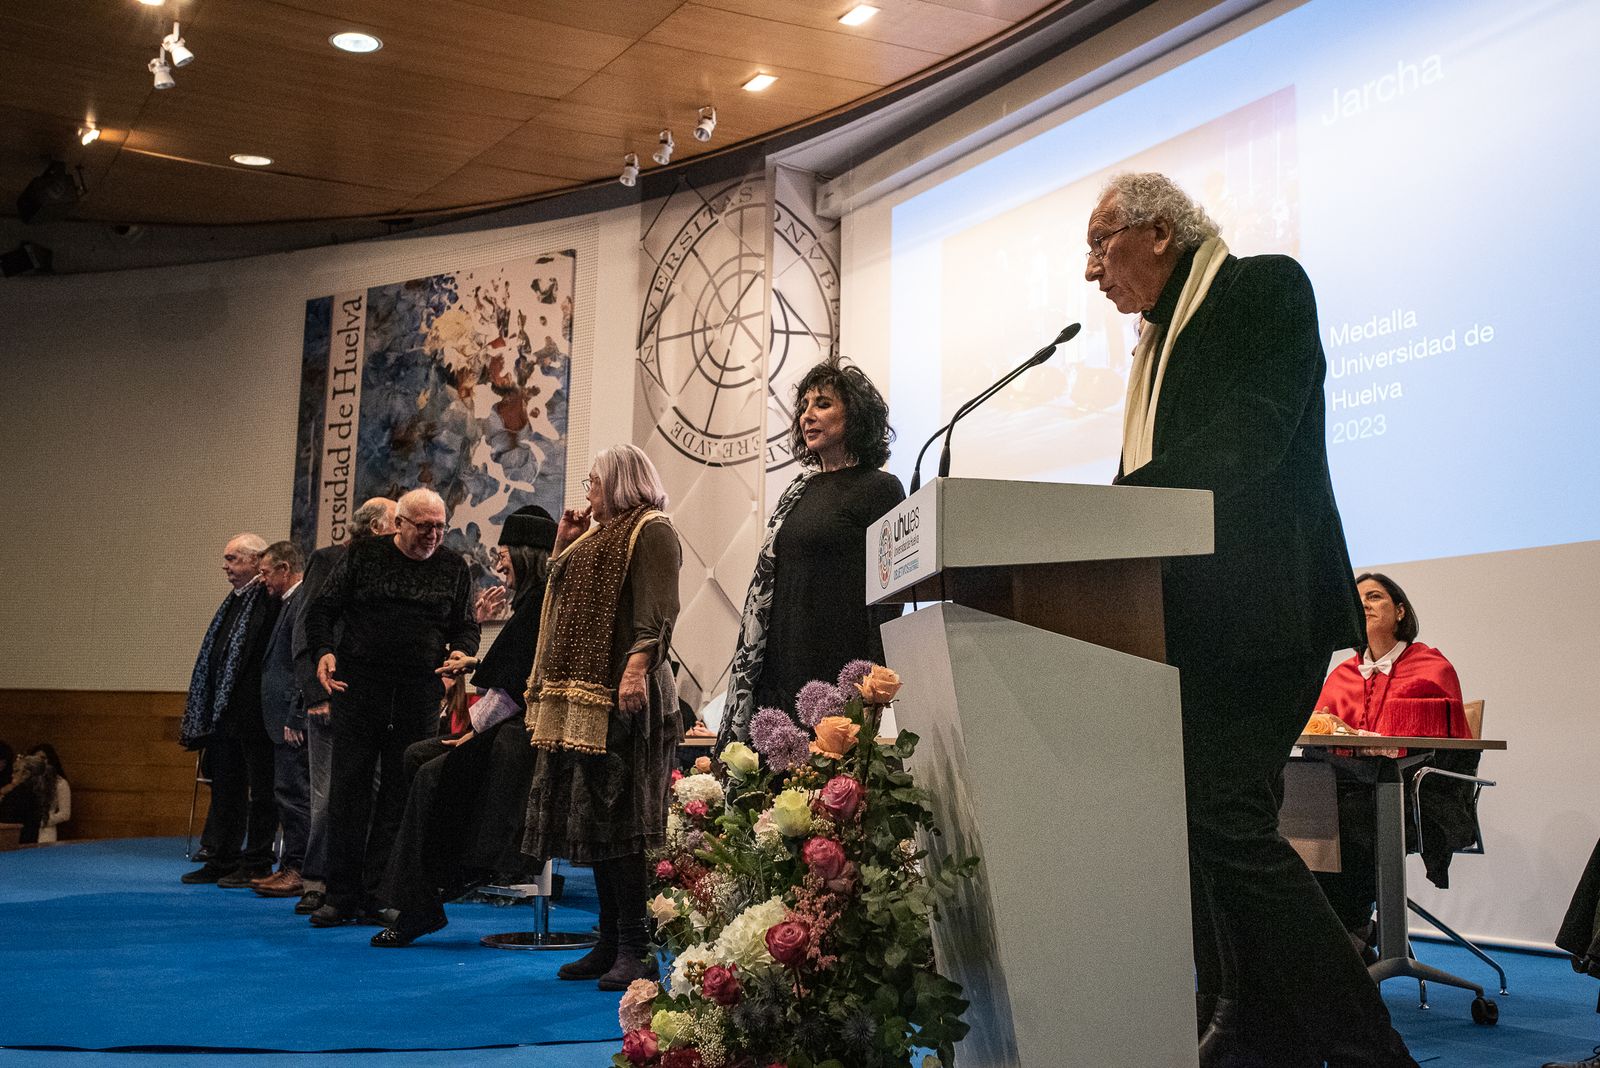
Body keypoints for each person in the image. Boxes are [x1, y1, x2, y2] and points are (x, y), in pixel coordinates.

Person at [1084, 172, 1415, 1066]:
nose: (1091, 272)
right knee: (1210, 827)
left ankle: (1365, 1047)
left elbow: (1250, 442)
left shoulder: (1263, 286)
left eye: (1100, 243)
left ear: (1157, 232)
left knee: (1222, 819)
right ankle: (1259, 1029)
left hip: (1265, 614)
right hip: (1187, 619)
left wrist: (1109, 507)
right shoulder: (1153, 347)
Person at [522, 444, 681, 991]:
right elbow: (558, 599)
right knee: (598, 826)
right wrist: (563, 545)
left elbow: (659, 612)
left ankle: (637, 949)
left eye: (595, 479)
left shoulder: (651, 529)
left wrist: (636, 668)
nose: (587, 488)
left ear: (621, 480)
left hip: (628, 696)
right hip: (591, 699)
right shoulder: (597, 535)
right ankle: (609, 939)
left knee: (625, 825)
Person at [372, 505, 558, 947]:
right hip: (510, 727)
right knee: (417, 756)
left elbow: (512, 686)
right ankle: (426, 887)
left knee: (432, 772)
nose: (499, 563)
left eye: (505, 552)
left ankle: (433, 891)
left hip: (522, 737)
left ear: (526, 553)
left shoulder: (541, 606)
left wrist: (470, 731)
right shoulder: (530, 604)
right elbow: (507, 673)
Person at [302, 488, 479, 926]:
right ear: (400, 523)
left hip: (419, 691)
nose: (433, 535)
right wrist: (323, 650)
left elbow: (466, 627)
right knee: (349, 790)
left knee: (401, 795)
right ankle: (339, 894)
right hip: (360, 687)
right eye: (424, 526)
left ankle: (382, 892)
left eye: (440, 527)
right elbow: (321, 609)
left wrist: (460, 653)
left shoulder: (454, 568)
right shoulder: (363, 556)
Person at [719, 361, 904, 746]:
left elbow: (889, 595)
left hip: (839, 664)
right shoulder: (798, 491)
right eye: (804, 407)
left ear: (854, 414)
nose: (807, 416)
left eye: (822, 404)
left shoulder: (879, 488)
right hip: (782, 663)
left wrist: (869, 682)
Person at [1308, 572, 1474, 957]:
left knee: (1350, 817)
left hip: (1417, 795)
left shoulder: (1433, 668)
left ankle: (1348, 934)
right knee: (1305, 807)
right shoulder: (1341, 674)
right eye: (1358, 598)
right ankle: (1346, 930)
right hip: (1349, 789)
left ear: (1400, 611)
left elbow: (1452, 753)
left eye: (1375, 597)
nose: (1364, 604)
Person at [291, 496, 396, 915]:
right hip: (330, 693)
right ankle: (316, 880)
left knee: (368, 795)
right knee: (327, 794)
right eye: (396, 521)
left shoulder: (394, 568)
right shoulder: (329, 559)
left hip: (373, 701)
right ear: (374, 527)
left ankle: (361, 885)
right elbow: (306, 629)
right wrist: (314, 694)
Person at [178, 533, 282, 886]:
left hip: (255, 714)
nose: (225, 566)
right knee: (225, 787)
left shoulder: (269, 600)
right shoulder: (234, 601)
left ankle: (256, 861)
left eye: (233, 559)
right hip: (225, 714)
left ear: (256, 562)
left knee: (262, 791)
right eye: (226, 559)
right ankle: (220, 857)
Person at [251, 541, 310, 899]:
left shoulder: (300, 602)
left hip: (291, 721)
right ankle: (289, 865)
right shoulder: (288, 604)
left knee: (294, 795)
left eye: (266, 572)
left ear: (285, 569)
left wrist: (295, 714)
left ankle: (298, 868)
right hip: (282, 720)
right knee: (286, 794)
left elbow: (302, 664)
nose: (263, 580)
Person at [0, 753, 57, 845]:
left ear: (26, 774)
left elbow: (5, 822)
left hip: (12, 843)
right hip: (29, 843)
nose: (12, 775)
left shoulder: (17, 795)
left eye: (16, 771)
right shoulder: (37, 793)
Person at [27, 743, 70, 843]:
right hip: (26, 830)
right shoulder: (26, 780)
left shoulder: (60, 783)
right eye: (35, 758)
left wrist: (42, 821)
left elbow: (65, 814)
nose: (39, 761)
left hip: (46, 831)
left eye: (43, 758)